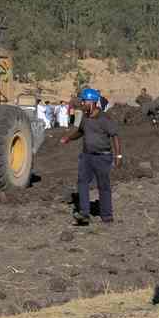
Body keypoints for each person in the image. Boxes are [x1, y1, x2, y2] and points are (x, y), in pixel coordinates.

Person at [60, 88, 122, 225]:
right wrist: (69, 138)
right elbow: (80, 132)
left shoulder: (104, 118)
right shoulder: (85, 117)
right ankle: (84, 213)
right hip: (86, 157)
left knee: (103, 185)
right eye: (82, 101)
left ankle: (107, 215)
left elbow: (115, 136)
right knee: (82, 182)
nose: (82, 104)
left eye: (84, 101)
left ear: (93, 102)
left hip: (102, 157)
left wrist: (118, 156)